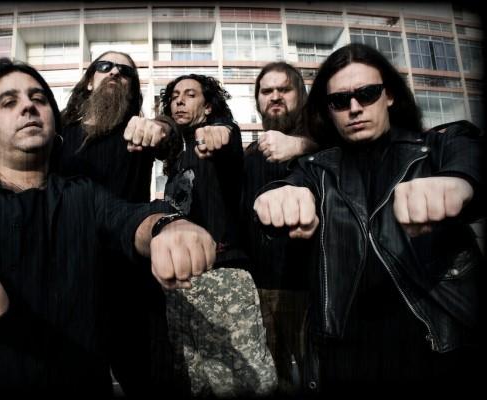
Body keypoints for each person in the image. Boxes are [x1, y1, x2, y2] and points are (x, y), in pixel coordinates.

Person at [0, 58, 216, 396]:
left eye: (39, 99)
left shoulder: (84, 194)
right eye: (9, 101)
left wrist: (168, 227)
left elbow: (130, 217)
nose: (28, 106)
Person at [254, 43, 484, 396]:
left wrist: (458, 182)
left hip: (436, 346)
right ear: (328, 109)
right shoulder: (316, 169)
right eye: (339, 100)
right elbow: (286, 190)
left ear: (388, 95)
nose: (355, 107)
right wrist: (277, 199)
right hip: (345, 353)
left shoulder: (436, 147)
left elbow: (469, 155)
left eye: (367, 93)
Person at [57, 51, 177, 397]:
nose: (114, 73)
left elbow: (170, 140)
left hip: (130, 283)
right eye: (105, 66)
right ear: (89, 81)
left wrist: (161, 127)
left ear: (133, 88)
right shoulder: (58, 134)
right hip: (71, 282)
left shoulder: (137, 131)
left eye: (125, 71)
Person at [158, 74, 277, 398]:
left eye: (190, 95)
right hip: (181, 283)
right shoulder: (177, 155)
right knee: (193, 380)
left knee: (241, 384)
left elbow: (227, 138)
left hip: (222, 275)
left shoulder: (220, 140)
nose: (179, 100)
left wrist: (220, 132)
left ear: (208, 106)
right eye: (175, 95)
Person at [240, 62, 317, 395]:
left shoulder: (322, 144)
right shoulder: (249, 156)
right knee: (273, 382)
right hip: (262, 289)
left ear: (300, 95)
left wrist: (302, 146)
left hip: (314, 287)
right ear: (258, 100)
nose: (275, 96)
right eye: (266, 90)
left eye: (284, 89)